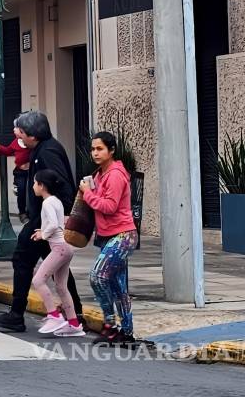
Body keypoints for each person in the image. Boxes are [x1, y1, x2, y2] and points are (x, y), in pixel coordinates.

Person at [0, 110, 82, 333]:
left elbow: (63, 188)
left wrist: (49, 221)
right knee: (58, 269)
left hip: (44, 221)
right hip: (44, 220)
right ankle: (74, 314)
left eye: (21, 132)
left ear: (32, 134)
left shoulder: (47, 152)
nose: (18, 136)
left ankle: (17, 314)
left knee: (22, 259)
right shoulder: (42, 149)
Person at [81, 131, 139, 345]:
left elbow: (109, 206)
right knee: (118, 286)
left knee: (98, 276)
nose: (95, 153)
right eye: (93, 149)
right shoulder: (100, 174)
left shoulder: (115, 174)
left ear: (111, 150)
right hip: (108, 235)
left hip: (123, 235)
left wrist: (87, 193)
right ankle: (126, 332)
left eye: (100, 149)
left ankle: (110, 325)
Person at [29, 170, 84, 337]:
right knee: (61, 286)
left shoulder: (47, 203)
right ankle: (74, 324)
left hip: (59, 248)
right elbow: (58, 224)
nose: (33, 186)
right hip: (65, 247)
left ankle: (54, 316)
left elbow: (53, 225)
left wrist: (42, 234)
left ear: (42, 186)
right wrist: (44, 230)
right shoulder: (56, 201)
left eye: (34, 183)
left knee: (38, 280)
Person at [0, 127, 31, 215]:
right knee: (21, 190)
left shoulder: (31, 142)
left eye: (17, 128)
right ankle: (22, 212)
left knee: (32, 192)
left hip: (31, 171)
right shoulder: (15, 142)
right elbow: (7, 151)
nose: (14, 130)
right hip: (20, 172)